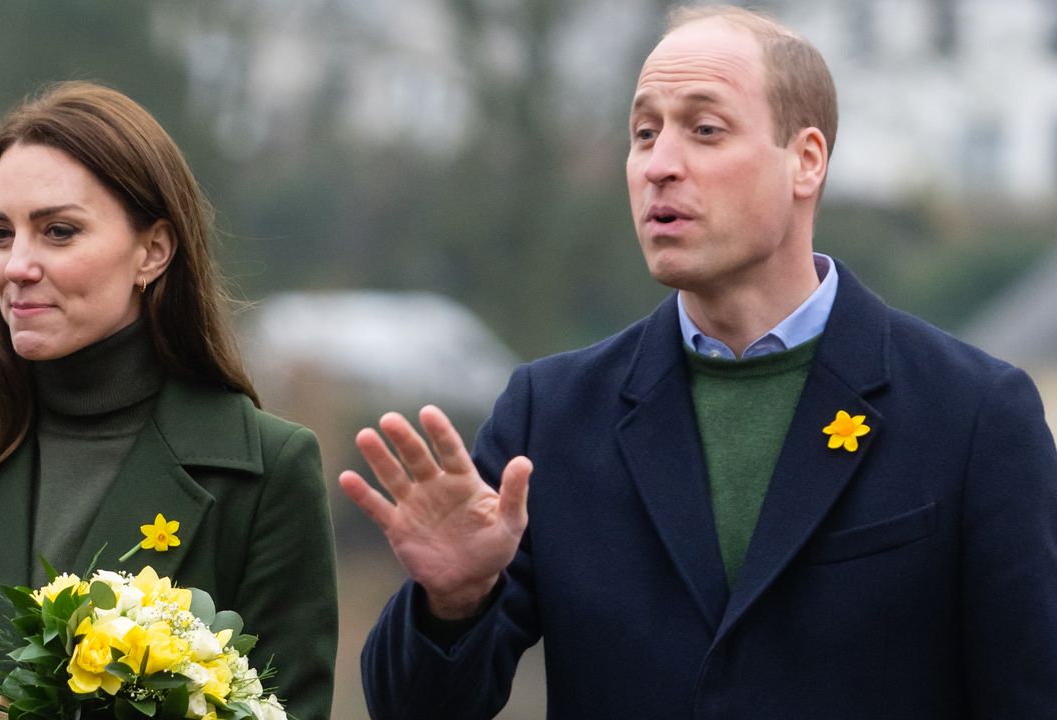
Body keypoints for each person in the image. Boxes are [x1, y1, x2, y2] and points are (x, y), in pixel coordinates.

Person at [340, 5, 1057, 718]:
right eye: (643, 133)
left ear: (805, 160)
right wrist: (453, 602)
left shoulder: (973, 415)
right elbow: (414, 709)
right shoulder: (550, 415)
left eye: (704, 130)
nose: (659, 166)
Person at [0, 82, 337, 720]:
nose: (15, 265)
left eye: (59, 231)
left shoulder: (265, 471)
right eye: (1, 234)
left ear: (152, 250)